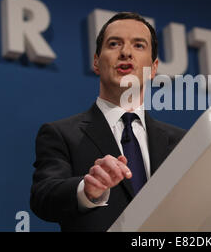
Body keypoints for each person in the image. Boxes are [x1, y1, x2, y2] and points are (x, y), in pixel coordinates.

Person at [30, 12, 186, 232]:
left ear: (154, 68)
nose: (125, 52)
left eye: (138, 45)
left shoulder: (181, 142)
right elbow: (43, 198)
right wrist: (87, 189)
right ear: (96, 62)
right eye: (114, 44)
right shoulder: (61, 134)